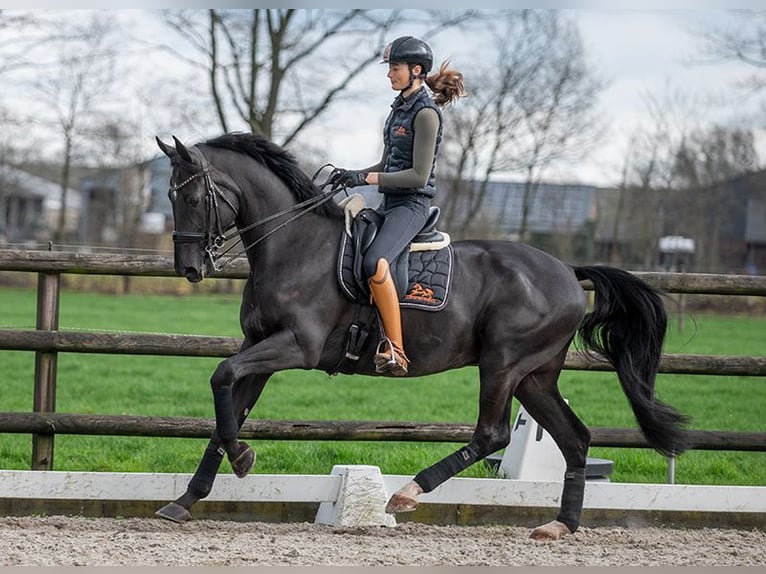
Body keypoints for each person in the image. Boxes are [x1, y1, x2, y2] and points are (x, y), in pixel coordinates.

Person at [329, 35, 466, 376]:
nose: (390, 74)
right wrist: (354, 175)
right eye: (390, 68)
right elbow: (386, 165)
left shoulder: (426, 114)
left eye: (395, 68)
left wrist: (372, 181)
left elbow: (418, 176)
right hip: (390, 204)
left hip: (412, 206)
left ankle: (396, 350)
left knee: (376, 263)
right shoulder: (398, 111)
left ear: (415, 71)